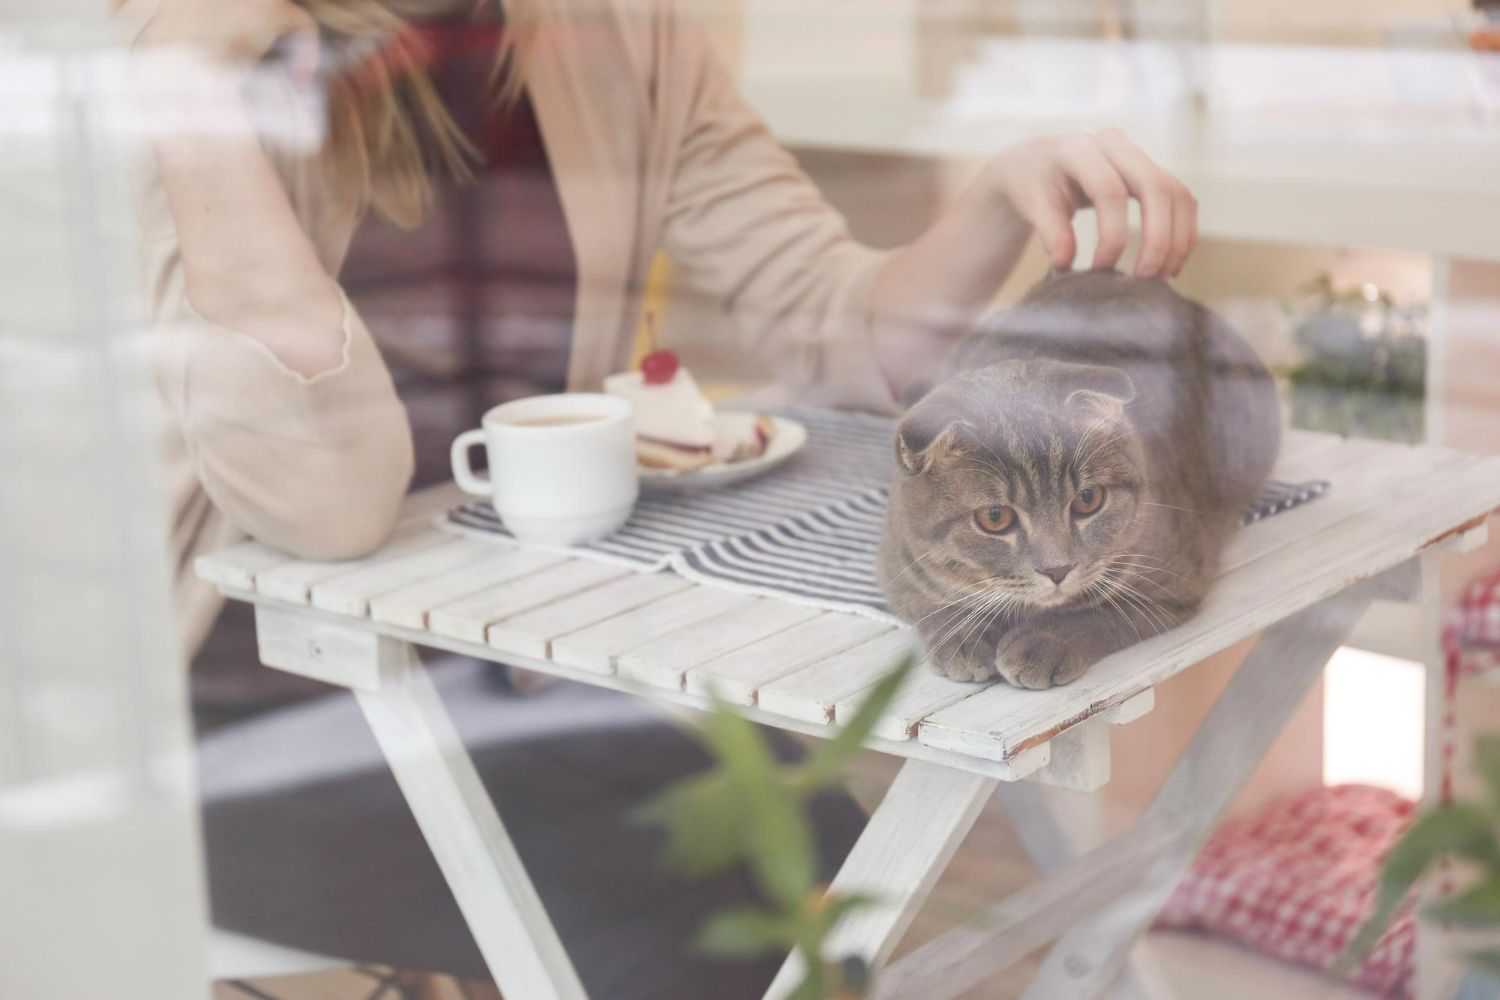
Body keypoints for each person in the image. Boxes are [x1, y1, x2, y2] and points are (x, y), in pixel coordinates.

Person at [120, 0, 1198, 994]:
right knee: (674, 912)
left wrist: (1002, 193)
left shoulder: (617, 32)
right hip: (209, 707)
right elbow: (324, 509)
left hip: (500, 649)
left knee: (805, 833)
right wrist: (187, 90)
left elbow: (836, 325)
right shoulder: (187, 42)